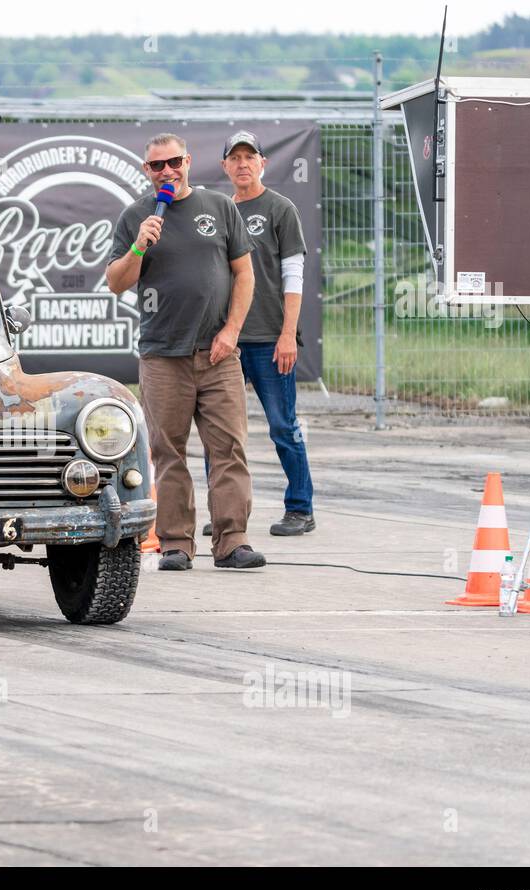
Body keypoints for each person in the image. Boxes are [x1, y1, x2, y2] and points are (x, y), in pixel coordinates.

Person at [105, 133, 265, 571]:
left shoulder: (219, 207)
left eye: (174, 162)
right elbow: (116, 282)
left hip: (218, 354)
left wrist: (232, 331)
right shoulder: (136, 217)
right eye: (157, 165)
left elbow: (244, 274)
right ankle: (176, 543)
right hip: (162, 355)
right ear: (147, 171)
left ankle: (232, 541)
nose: (167, 171)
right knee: (167, 452)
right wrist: (139, 245)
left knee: (229, 449)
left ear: (188, 161)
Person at [220, 131, 315, 536]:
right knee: (221, 432)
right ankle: (226, 512)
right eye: (235, 158)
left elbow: (294, 275)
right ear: (225, 166)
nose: (242, 164)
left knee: (282, 425)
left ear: (263, 163)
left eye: (250, 157)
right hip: (227, 341)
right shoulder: (220, 211)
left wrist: (288, 334)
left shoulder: (280, 209)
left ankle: (300, 508)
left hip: (270, 340)